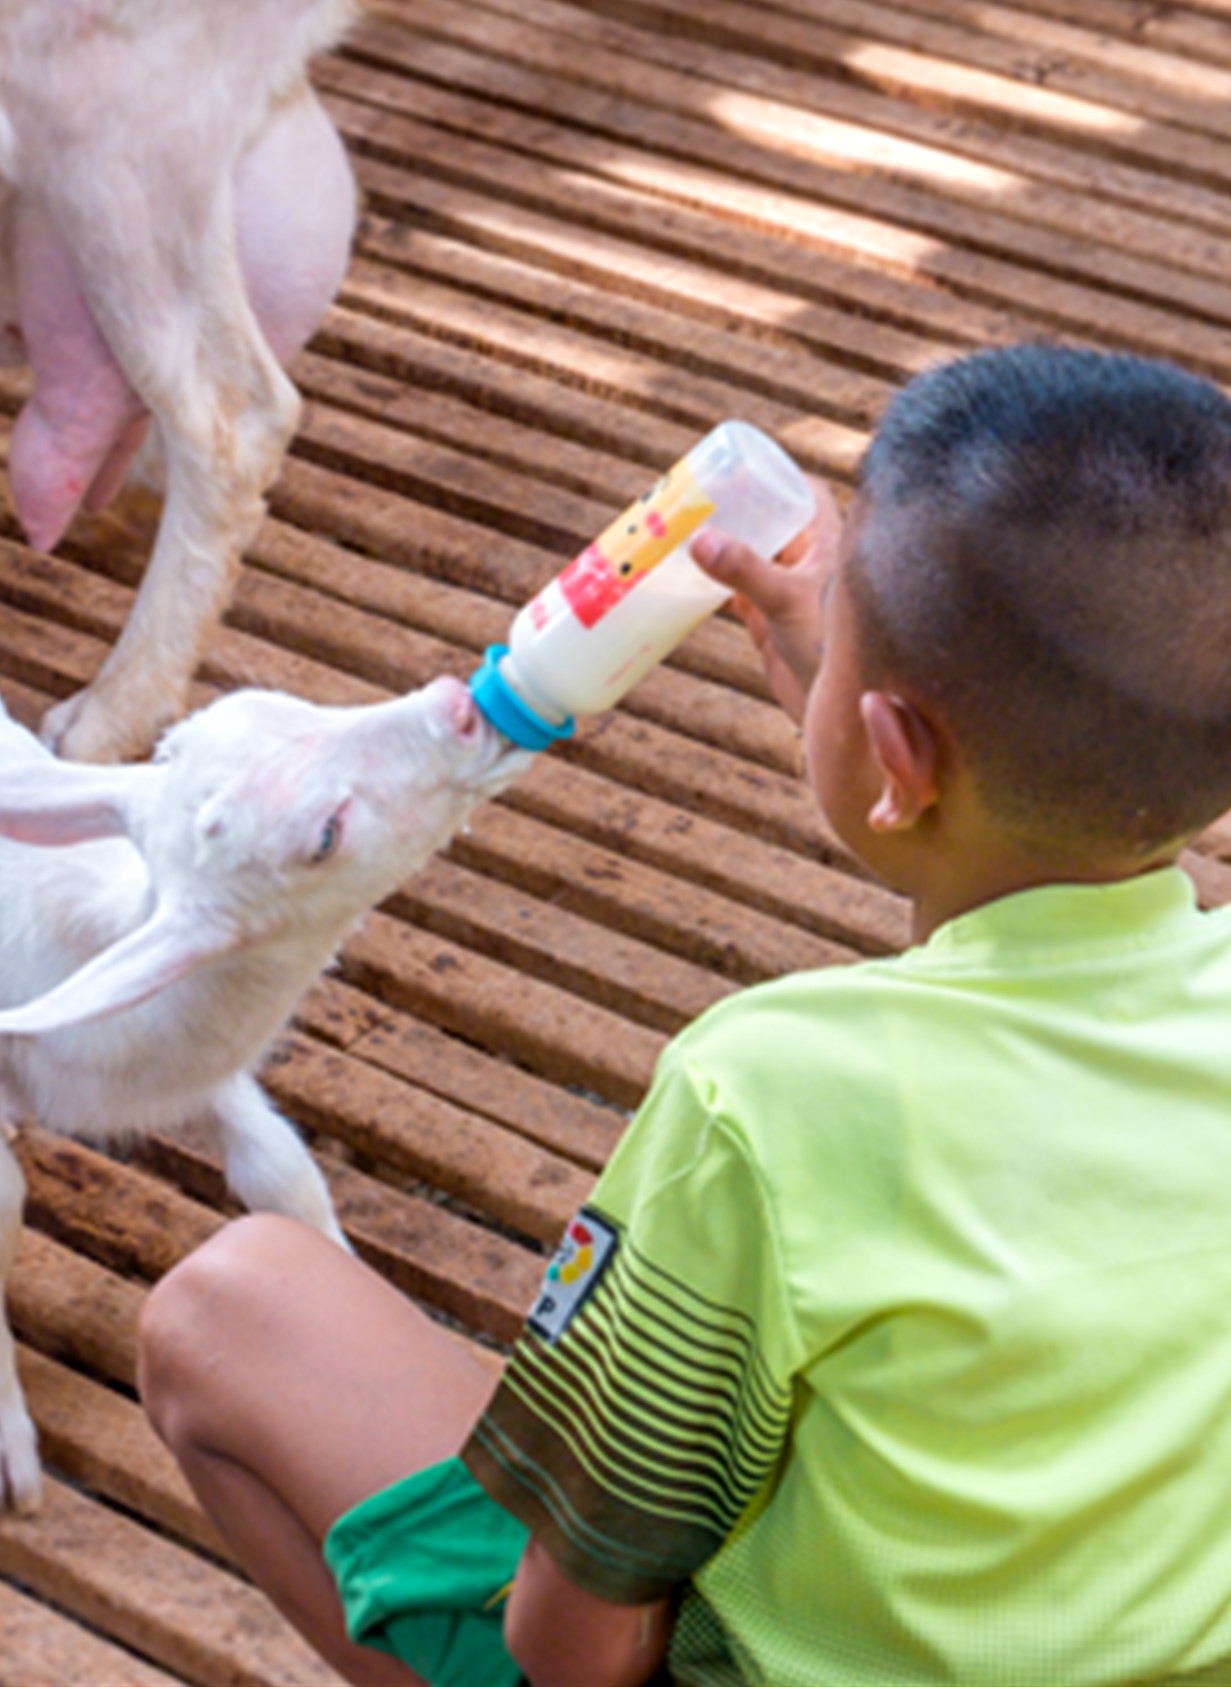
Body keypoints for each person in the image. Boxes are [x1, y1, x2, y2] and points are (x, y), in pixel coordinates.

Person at [135, 343, 1231, 1687]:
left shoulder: (762, 1095)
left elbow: (573, 1648)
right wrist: (884, 720)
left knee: (225, 1308)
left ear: (897, 755)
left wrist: (887, 727)